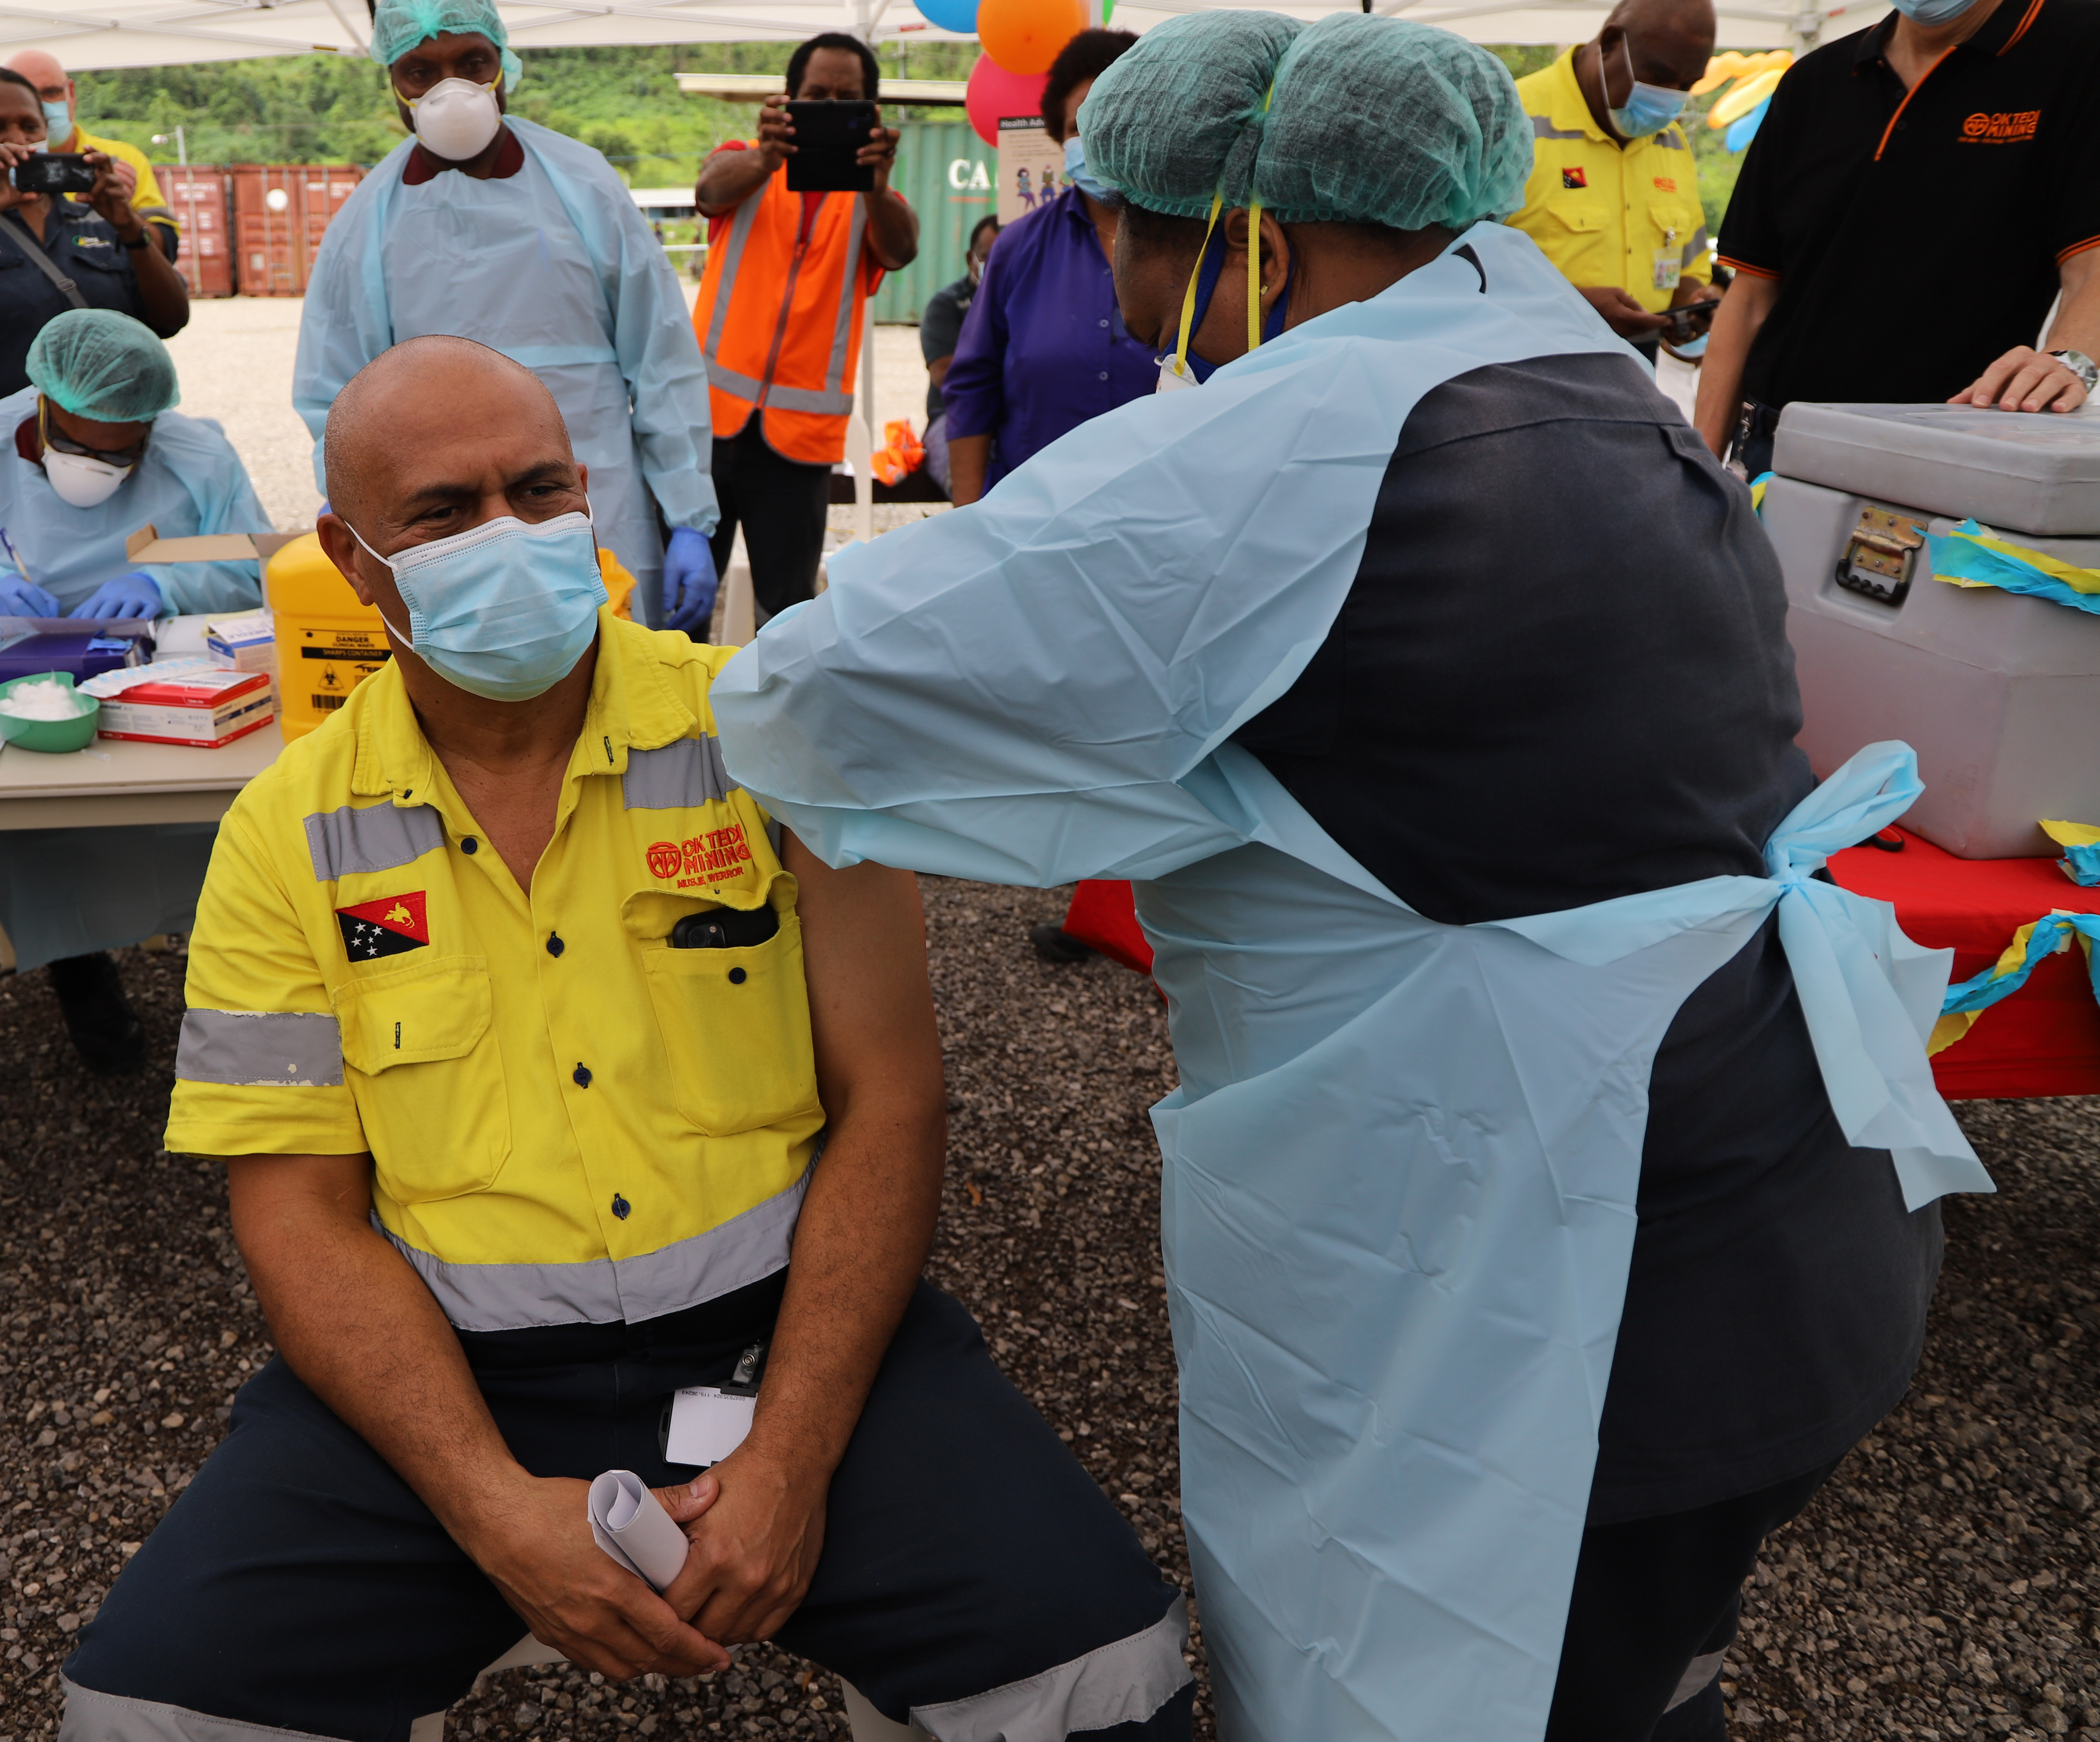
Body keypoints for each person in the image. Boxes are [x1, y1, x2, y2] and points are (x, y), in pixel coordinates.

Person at [709, 13, 1989, 1740]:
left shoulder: (1295, 442)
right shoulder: (1568, 363)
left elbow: (814, 698)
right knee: (1645, 1655)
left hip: (1575, 1251)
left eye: (1120, 232)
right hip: (1787, 1184)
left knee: (1486, 1662)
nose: (1109, 278)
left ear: (1260, 233)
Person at [56, 335, 1193, 1742]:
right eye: (446, 512)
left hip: (788, 1339)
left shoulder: (771, 739)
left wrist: (790, 1457)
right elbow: (295, 1212)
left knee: (1105, 1678)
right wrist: (485, 1504)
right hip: (450, 1374)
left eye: (540, 492)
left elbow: (892, 1099)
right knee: (146, 1715)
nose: (511, 537)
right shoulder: (285, 838)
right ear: (354, 563)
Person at [0, 309, 269, 1074]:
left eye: (122, 454)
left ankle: (223, 961)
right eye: (78, 445)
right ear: (44, 406)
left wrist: (168, 580)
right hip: (19, 690)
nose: (96, 466)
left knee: (220, 807)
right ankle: (77, 967)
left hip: (164, 681)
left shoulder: (198, 457)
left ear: (150, 428)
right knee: (33, 817)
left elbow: (252, 564)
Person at [292, 0, 720, 635]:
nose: (451, 90)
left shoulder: (584, 184)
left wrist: (689, 516)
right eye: (421, 72)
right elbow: (335, 391)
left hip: (595, 499)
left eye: (472, 63)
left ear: (505, 66)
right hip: (444, 521)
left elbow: (660, 357)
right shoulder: (364, 222)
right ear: (393, 83)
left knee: (614, 675)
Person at [1695, 0, 2100, 472]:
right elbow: (1750, 298)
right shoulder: (1814, 80)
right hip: (1777, 443)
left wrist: (2069, 358)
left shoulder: (2077, 47)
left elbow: (2091, 263)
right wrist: (1698, 470)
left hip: (1945, 456)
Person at [692, 34, 918, 626]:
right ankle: (679, 722)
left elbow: (901, 250)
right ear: (787, 98)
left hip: (799, 448)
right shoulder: (744, 162)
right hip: (704, 425)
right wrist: (765, 160)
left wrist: (874, 187)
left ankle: (770, 721)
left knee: (788, 617)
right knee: (681, 607)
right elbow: (708, 190)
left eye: (845, 99)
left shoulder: (875, 202)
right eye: (815, 96)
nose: (826, 108)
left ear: (869, 112)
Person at [0, 65, 189, 424]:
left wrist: (128, 225)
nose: (17, 139)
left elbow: (172, 319)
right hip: (0, 449)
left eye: (30, 127)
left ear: (47, 131)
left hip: (111, 441)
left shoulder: (102, 222)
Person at [942, 29, 1155, 505]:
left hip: (1164, 522)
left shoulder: (1202, 243)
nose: (1096, 137)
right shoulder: (1016, 248)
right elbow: (973, 385)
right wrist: (969, 523)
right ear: (1059, 137)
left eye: (1112, 117)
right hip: (1031, 520)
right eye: (1080, 125)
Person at [1506, 0, 1719, 359]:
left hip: (1637, 366)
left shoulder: (1672, 142)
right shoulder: (1511, 122)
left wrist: (1691, 299)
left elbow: (1689, 259)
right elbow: (1452, 270)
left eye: (1687, 85)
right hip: (1525, 365)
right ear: (1608, 44)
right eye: (1659, 76)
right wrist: (1573, 307)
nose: (1670, 98)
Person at [3, 48, 181, 260]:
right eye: (28, 95)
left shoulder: (122, 159)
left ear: (71, 93)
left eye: (51, 93)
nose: (42, 107)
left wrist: (126, 218)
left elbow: (166, 249)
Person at [917, 212, 997, 498]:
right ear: (970, 260)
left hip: (1016, 415)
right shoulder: (948, 305)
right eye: (989, 258)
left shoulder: (1035, 302)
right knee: (971, 478)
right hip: (951, 417)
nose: (998, 267)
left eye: (1007, 257)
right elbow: (946, 375)